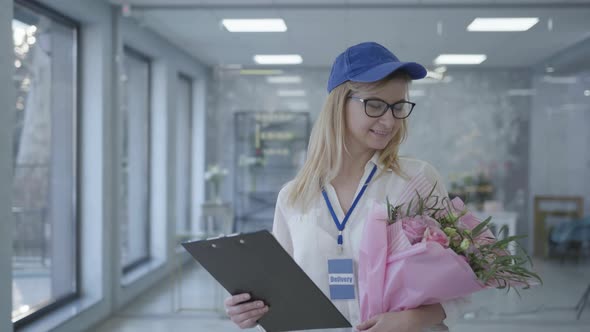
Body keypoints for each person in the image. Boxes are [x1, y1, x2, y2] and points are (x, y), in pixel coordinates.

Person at [224, 41, 470, 332]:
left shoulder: (417, 180)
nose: (389, 120)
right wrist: (248, 309)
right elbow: (282, 291)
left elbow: (464, 281)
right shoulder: (293, 196)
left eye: (398, 106)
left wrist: (413, 318)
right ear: (339, 104)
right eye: (376, 104)